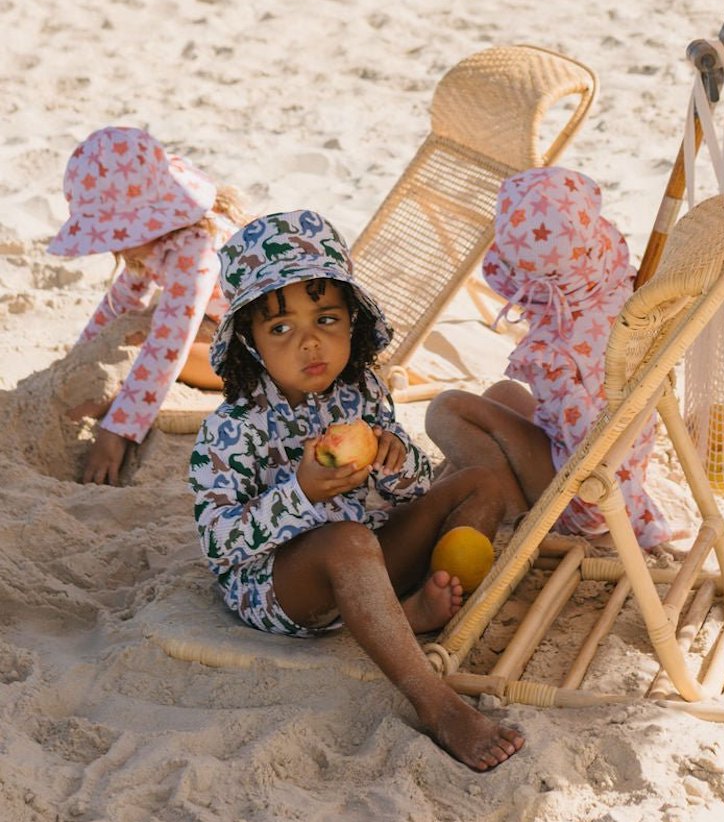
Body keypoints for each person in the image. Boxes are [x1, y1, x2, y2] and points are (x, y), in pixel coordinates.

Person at [188, 209, 523, 771]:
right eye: (280, 328)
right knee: (345, 539)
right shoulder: (230, 429)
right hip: (280, 587)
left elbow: (408, 493)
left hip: (363, 556)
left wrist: (395, 464)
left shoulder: (360, 390)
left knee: (476, 481)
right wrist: (301, 491)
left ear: (353, 321)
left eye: (326, 318)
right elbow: (221, 548)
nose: (310, 344)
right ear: (249, 343)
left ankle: (413, 607)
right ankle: (435, 702)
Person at [425, 167, 675, 550]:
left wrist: (587, 510)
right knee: (503, 392)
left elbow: (585, 456)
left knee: (447, 410)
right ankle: (472, 484)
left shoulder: (556, 355)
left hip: (587, 495)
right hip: (625, 470)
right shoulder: (620, 288)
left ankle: (516, 519)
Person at [48, 126, 248, 485]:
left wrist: (118, 431)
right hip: (225, 324)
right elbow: (119, 305)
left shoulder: (197, 251)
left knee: (152, 344)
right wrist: (76, 365)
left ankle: (118, 403)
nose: (116, 247)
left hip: (268, 350)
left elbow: (169, 345)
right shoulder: (156, 239)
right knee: (136, 332)